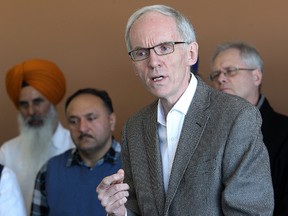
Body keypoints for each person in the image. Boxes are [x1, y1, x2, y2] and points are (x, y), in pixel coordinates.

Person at [96, 4, 274, 216]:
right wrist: (120, 212)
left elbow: (251, 212)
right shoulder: (134, 128)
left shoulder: (237, 117)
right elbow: (137, 208)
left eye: (164, 48)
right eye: (141, 53)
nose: (153, 62)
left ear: (191, 53)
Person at [209, 41, 288, 216]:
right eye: (215, 74)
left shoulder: (285, 133)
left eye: (230, 71)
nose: (221, 79)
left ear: (256, 76)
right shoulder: (206, 133)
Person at [30, 88, 122, 216]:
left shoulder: (136, 167)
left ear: (111, 120)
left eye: (91, 118)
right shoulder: (49, 170)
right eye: (73, 121)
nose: (82, 128)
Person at [0, 59, 74, 214]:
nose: (31, 111)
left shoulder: (74, 146)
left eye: (38, 102)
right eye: (24, 104)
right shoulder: (7, 151)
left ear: (52, 102)